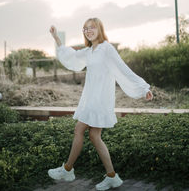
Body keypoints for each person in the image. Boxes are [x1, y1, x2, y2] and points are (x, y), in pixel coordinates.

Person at [48, 17, 153, 191]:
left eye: (92, 27)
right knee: (95, 136)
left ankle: (67, 169)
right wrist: (57, 38)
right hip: (90, 97)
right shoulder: (89, 51)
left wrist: (143, 88)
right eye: (85, 29)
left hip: (100, 99)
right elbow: (71, 57)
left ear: (99, 29)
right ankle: (112, 176)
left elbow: (123, 68)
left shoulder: (106, 49)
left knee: (79, 129)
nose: (88, 31)